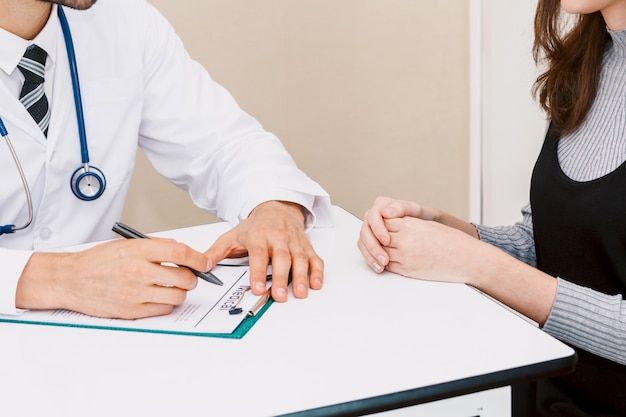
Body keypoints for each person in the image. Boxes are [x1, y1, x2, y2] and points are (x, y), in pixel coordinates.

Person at [358, 0, 626, 415]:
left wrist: (480, 265)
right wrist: (449, 232)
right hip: (548, 395)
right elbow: (551, 244)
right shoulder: (588, 65)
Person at [0, 0, 332, 320]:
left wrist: (272, 206)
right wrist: (56, 278)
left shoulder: (124, 21)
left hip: (90, 339)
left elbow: (222, 144)